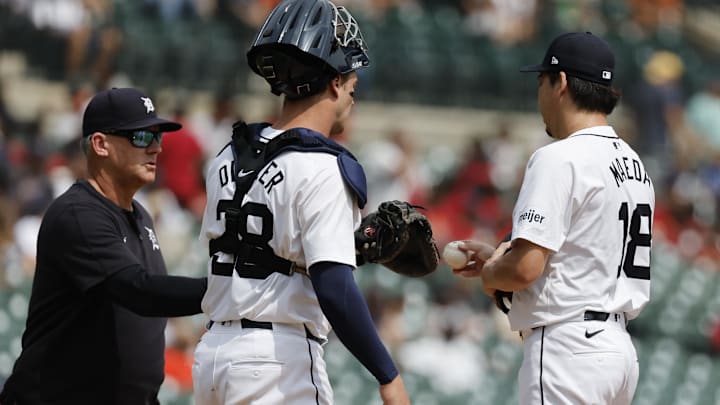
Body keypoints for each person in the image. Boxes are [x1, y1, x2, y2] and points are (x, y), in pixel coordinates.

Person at [191, 1, 411, 404]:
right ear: (333, 83)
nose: (351, 98)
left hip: (212, 357)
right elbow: (334, 288)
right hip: (276, 362)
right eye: (351, 86)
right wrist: (388, 375)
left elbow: (259, 250)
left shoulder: (227, 155)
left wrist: (347, 249)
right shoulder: (324, 166)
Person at [452, 32, 655, 404]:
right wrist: (499, 255)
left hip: (569, 349)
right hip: (619, 352)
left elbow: (524, 269)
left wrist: (491, 273)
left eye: (541, 81)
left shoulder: (558, 156)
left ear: (560, 83)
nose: (539, 93)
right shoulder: (634, 162)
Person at [0, 87, 208, 405]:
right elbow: (137, 291)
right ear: (100, 144)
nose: (155, 148)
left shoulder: (140, 216)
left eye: (158, 137)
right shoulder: (78, 214)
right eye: (142, 137)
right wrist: (223, 291)